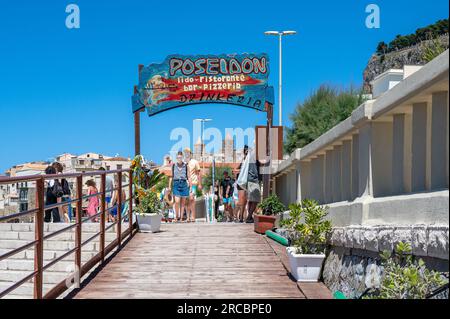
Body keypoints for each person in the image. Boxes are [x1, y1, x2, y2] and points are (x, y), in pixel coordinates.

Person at [169, 151, 190, 222]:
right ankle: (176, 216)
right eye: (178, 157)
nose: (179, 159)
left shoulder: (186, 166)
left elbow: (189, 177)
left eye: (180, 157)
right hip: (176, 183)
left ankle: (180, 218)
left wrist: (190, 185)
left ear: (182, 157)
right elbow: (171, 176)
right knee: (177, 201)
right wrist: (169, 186)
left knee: (183, 203)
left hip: (184, 183)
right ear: (176, 158)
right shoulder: (174, 165)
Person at [184, 148, 201, 223]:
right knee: (186, 201)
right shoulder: (183, 163)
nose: (187, 154)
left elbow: (199, 173)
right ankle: (187, 217)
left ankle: (193, 216)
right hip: (184, 184)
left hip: (193, 183)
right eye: (185, 152)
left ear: (191, 153)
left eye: (188, 152)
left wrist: (200, 184)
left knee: (192, 199)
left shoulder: (195, 162)